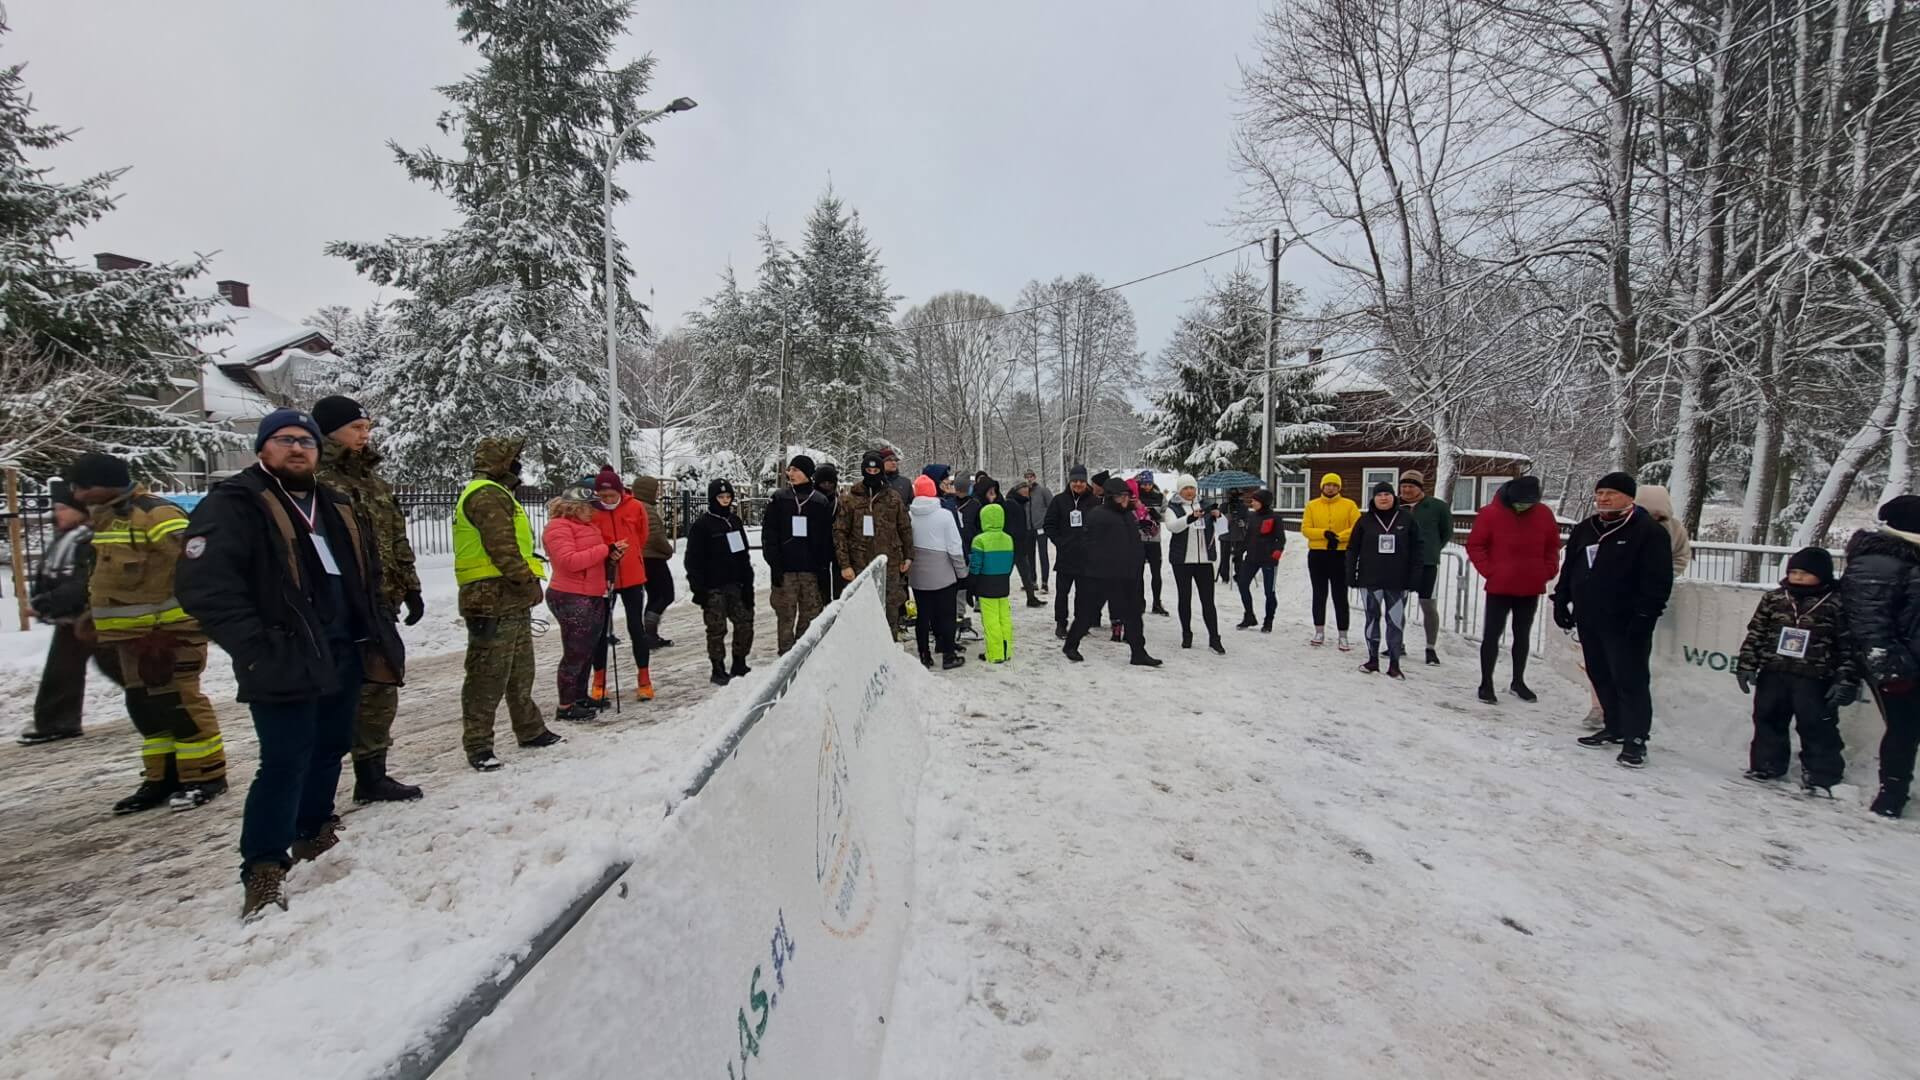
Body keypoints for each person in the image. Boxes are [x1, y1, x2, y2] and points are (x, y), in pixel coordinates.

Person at [176, 408, 405, 920]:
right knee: (284, 760)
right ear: (262, 448)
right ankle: (263, 865)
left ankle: (313, 829)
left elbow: (366, 571)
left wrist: (377, 620)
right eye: (284, 439)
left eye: (306, 441)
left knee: (330, 747)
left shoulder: (336, 503)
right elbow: (205, 587)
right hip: (283, 654)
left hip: (342, 648)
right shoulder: (236, 503)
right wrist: (256, 646)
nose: (297, 448)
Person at [68, 451, 228, 814]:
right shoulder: (107, 519)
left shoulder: (157, 515)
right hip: (131, 641)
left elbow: (199, 569)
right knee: (146, 708)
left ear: (102, 485)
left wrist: (185, 624)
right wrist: (93, 616)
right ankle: (163, 777)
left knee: (180, 705)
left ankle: (206, 775)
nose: (76, 495)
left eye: (81, 487)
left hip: (170, 636)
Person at [313, 395, 426, 802]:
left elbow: (396, 538)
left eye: (367, 428)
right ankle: (316, 793)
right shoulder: (314, 480)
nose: (365, 436)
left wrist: (410, 585)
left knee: (380, 685)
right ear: (330, 431)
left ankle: (372, 774)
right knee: (333, 696)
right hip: (335, 606)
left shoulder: (373, 482)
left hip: (380, 603)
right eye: (356, 428)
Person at [453, 437, 563, 771]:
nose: (519, 464)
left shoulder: (500, 494)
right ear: (500, 463)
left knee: (520, 670)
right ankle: (478, 744)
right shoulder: (486, 494)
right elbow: (502, 549)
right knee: (488, 675)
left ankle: (530, 729)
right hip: (489, 598)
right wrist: (527, 581)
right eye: (514, 458)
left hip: (508, 596)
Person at [1552, 472, 1675, 768]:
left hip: (1627, 620)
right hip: (1589, 616)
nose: (1604, 498)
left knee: (1630, 679)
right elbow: (1570, 566)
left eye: (1611, 493)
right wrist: (1561, 599)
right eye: (1600, 493)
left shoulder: (1648, 531)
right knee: (1600, 674)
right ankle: (1615, 726)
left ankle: (1636, 738)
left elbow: (1658, 580)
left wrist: (1645, 615)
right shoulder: (1586, 528)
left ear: (1630, 497)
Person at [1735, 547, 1856, 794]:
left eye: (1806, 573)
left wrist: (1846, 678)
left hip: (1815, 676)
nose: (1798, 577)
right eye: (1794, 572)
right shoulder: (1774, 598)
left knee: (1816, 724)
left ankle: (1821, 774)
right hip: (1774, 670)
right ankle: (1766, 764)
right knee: (1768, 718)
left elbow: (1848, 645)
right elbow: (1756, 632)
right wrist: (1747, 664)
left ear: (1822, 574)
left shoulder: (1836, 602)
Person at [19, 479, 124, 745]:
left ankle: (162, 699)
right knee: (68, 667)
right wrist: (45, 602)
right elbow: (55, 577)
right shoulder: (68, 538)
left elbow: (83, 581)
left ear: (81, 510)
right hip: (74, 617)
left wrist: (48, 602)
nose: (58, 514)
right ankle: (57, 721)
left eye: (63, 508)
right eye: (56, 508)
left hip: (93, 615)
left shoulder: (89, 539)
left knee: (113, 664)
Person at [1842, 495, 1920, 818]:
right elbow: (1869, 624)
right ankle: (1891, 795)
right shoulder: (1877, 562)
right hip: (1900, 667)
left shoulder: (1910, 558)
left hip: (1911, 660)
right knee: (1904, 730)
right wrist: (1894, 669)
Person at [1464, 475, 1562, 705]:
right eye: (1520, 503)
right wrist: (1491, 571)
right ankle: (1486, 683)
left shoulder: (1543, 514)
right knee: (1492, 635)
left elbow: (1552, 546)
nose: (1523, 507)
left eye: (1528, 503)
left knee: (1522, 634)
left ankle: (1518, 681)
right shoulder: (1490, 513)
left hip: (1530, 585)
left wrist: (1547, 570)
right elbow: (1476, 545)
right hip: (1500, 586)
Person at [1064, 476, 1160, 667]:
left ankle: (1138, 652)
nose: (1124, 499)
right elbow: (1087, 545)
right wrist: (1094, 567)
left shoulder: (1128, 516)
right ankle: (1071, 645)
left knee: (1133, 615)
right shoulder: (1098, 515)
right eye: (1119, 496)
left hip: (1126, 575)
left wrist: (1137, 562)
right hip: (1101, 576)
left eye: (1126, 496)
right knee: (1087, 614)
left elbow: (1134, 543)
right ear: (1109, 497)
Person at [544, 487, 621, 721]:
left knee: (588, 649)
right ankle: (566, 705)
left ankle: (579, 696)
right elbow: (569, 561)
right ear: (574, 507)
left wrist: (611, 557)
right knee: (575, 652)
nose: (593, 512)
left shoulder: (588, 527)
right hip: (570, 595)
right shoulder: (557, 528)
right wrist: (604, 549)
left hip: (592, 593)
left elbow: (592, 559)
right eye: (589, 507)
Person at [835, 451, 914, 638]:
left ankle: (889, 646)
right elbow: (839, 532)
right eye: (868, 470)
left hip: (890, 564)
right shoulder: (850, 499)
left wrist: (909, 556)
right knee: (861, 610)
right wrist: (845, 564)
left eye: (876, 470)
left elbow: (905, 528)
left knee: (890, 610)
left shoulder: (893, 498)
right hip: (859, 565)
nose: (872, 474)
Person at [589, 465, 652, 701]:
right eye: (603, 496)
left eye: (611, 495)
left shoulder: (635, 507)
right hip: (605, 575)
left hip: (633, 575)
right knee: (600, 630)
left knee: (636, 627)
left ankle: (644, 678)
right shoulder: (592, 510)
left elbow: (642, 536)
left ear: (620, 492)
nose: (607, 500)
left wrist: (631, 553)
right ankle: (599, 680)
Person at [686, 479, 756, 685]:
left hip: (736, 584)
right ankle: (717, 667)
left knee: (744, 623)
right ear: (712, 498)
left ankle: (739, 662)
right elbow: (693, 560)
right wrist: (699, 588)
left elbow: (743, 555)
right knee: (717, 629)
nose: (725, 500)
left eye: (728, 497)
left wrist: (748, 583)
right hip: (713, 587)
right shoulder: (702, 525)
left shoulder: (735, 522)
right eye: (721, 497)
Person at [764, 454, 836, 654]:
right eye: (790, 469)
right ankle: (785, 656)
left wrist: (823, 569)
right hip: (786, 570)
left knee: (810, 615)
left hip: (810, 571)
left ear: (807, 473)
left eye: (796, 470)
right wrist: (775, 564)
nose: (791, 473)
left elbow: (825, 539)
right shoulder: (779, 498)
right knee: (785, 616)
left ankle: (802, 655)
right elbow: (769, 534)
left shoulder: (820, 501)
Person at [1350, 482, 1422, 678]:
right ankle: (1373, 660)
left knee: (1395, 621)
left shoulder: (1406, 519)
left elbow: (1417, 549)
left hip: (1398, 581)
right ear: (1373, 498)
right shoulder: (1365, 520)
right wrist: (1351, 574)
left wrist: (1415, 577)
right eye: (1379, 495)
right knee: (1372, 618)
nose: (1383, 498)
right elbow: (1353, 549)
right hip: (1370, 579)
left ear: (1393, 497)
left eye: (1387, 494)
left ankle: (1394, 664)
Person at [908, 475, 969, 669]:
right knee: (947, 614)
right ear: (934, 491)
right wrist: (962, 572)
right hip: (943, 573)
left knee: (923, 615)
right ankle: (948, 654)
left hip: (918, 574)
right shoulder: (944, 515)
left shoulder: (909, 515)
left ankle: (924, 655)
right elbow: (955, 546)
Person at [1163, 475, 1225, 654]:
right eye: (1186, 488)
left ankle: (1214, 638)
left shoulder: (1206, 505)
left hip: (1204, 561)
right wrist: (1190, 518)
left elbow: (1223, 529)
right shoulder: (1173, 507)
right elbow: (1173, 526)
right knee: (1185, 598)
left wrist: (1219, 516)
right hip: (1182, 561)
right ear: (1180, 490)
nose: (1189, 491)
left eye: (1192, 488)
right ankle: (1186, 633)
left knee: (1208, 601)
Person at [1398, 471, 1454, 666]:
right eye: (1403, 486)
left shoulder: (1437, 506)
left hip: (1427, 563)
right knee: (1397, 604)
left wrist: (1432, 549)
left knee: (1428, 605)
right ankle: (1397, 643)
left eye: (1411, 486)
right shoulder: (1396, 506)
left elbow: (1446, 532)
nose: (1406, 490)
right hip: (1401, 563)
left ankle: (1430, 648)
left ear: (1420, 487)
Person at [1301, 473, 1360, 650]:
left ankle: (1343, 634)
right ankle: (1319, 631)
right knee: (1319, 593)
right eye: (1328, 485)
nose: (1331, 488)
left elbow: (1356, 527)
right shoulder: (1312, 505)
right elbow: (1306, 529)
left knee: (1340, 595)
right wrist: (1323, 534)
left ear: (1339, 488)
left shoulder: (1349, 505)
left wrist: (1339, 537)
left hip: (1339, 554)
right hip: (1318, 554)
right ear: (1322, 486)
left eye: (1335, 485)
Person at [1045, 465, 1100, 640]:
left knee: (1083, 594)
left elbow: (1101, 526)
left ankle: (1080, 624)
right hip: (1066, 556)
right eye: (1075, 481)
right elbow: (1049, 524)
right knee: (1062, 593)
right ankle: (1061, 623)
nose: (1078, 484)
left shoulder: (1095, 502)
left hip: (1087, 558)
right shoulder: (1059, 501)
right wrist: (1060, 542)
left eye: (1081, 481)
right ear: (1069, 481)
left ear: (1086, 482)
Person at [629, 475, 676, 649]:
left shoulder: (632, 507)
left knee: (654, 595)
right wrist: (668, 550)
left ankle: (649, 635)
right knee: (666, 595)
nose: (658, 493)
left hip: (641, 558)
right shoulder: (647, 509)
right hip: (654, 558)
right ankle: (649, 633)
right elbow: (655, 536)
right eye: (657, 489)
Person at [969, 503, 1018, 664]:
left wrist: (971, 584)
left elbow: (976, 565)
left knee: (991, 620)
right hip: (1003, 582)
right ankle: (1006, 650)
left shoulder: (979, 540)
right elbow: (1011, 562)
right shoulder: (1008, 539)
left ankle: (995, 653)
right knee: (1004, 618)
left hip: (986, 583)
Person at [1235, 489, 1285, 632]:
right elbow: (1248, 537)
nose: (1253, 503)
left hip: (1268, 559)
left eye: (1255, 500)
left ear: (1264, 502)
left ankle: (1268, 620)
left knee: (1269, 592)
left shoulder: (1275, 518)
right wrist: (1239, 552)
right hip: (1251, 557)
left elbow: (1281, 539)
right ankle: (1249, 615)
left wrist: (1277, 552)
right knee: (1242, 584)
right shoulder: (1252, 516)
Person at [1636, 484, 1692, 577]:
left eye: (1657, 513)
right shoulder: (1625, 524)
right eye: (1647, 513)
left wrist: (1665, 575)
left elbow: (1681, 556)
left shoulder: (1675, 528)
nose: (1652, 518)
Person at [1134, 471, 1169, 616]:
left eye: (1149, 484)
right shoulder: (1135, 496)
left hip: (1154, 540)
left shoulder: (1159, 497)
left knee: (1156, 573)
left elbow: (1167, 516)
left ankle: (1157, 603)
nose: (1147, 487)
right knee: (1138, 573)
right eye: (1144, 484)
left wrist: (1156, 515)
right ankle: (1139, 603)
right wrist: (1138, 521)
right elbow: (1129, 514)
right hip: (1139, 540)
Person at [1006, 478, 1042, 607]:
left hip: (1020, 544)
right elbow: (1010, 525)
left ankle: (1031, 598)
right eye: (1024, 488)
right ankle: (1001, 598)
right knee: (1006, 574)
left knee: (1026, 574)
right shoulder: (1011, 503)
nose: (1027, 490)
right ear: (1018, 490)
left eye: (1027, 487)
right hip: (1012, 545)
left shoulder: (1020, 503)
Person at [814, 464, 846, 600]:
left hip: (837, 546)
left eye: (830, 483)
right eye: (823, 483)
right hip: (818, 547)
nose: (827, 486)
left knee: (840, 586)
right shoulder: (812, 501)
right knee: (821, 586)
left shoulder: (841, 501)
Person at [1023, 470, 1053, 591]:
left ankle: (1044, 582)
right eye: (1027, 477)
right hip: (1028, 529)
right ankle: (1032, 581)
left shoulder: (1043, 491)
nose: (1029, 479)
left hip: (1041, 528)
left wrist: (1048, 523)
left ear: (1035, 477)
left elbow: (1052, 507)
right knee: (1030, 556)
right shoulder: (1024, 493)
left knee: (1043, 555)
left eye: (1031, 477)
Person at [1219, 489, 1249, 584]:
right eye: (1230, 495)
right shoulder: (1223, 506)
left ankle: (1239, 575)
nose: (1232, 497)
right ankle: (1224, 576)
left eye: (1235, 495)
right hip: (1225, 535)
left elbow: (1248, 519)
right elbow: (1217, 519)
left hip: (1239, 535)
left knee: (1238, 557)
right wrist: (1225, 518)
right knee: (1224, 557)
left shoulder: (1243, 507)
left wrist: (1244, 523)